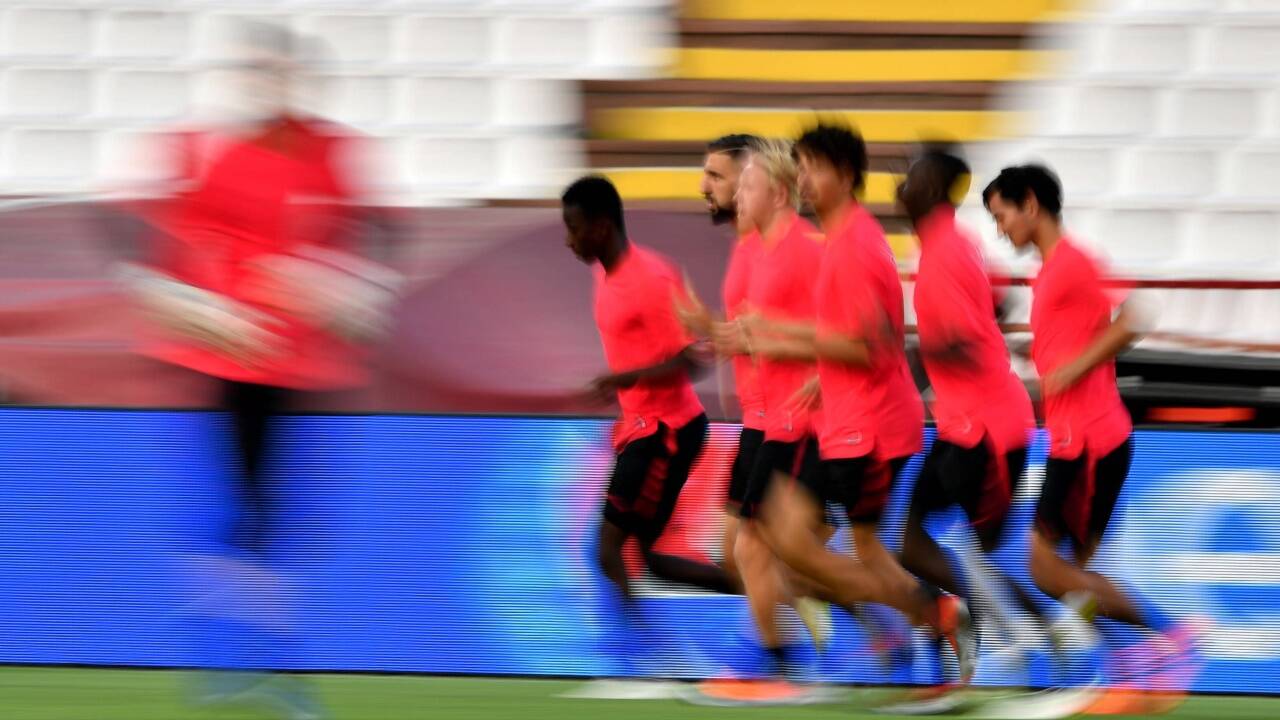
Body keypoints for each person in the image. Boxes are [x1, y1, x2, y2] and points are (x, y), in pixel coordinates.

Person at [120, 21, 398, 720]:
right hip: (232, 357)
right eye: (253, 70)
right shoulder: (210, 152)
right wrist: (202, 308)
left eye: (275, 70)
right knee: (241, 511)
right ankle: (260, 657)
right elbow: (155, 258)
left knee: (283, 517)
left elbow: (374, 241)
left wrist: (342, 288)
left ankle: (251, 651)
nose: (264, 82)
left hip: (308, 365)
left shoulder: (330, 151)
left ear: (295, 78)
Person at [740, 126, 975, 685]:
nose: (801, 179)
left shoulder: (857, 245)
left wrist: (775, 337)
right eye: (798, 168)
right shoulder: (843, 240)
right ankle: (916, 622)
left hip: (870, 427)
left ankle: (930, 614)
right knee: (786, 536)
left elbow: (869, 346)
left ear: (846, 175)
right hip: (841, 421)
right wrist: (805, 361)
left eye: (811, 167)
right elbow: (850, 334)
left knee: (841, 547)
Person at [983, 164, 1197, 708]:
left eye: (1002, 215)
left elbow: (1136, 314)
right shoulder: (1051, 271)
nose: (1000, 229)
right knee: (1071, 574)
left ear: (1029, 204)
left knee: (1046, 568)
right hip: (1079, 437)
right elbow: (1076, 341)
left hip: (1089, 440)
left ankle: (1168, 637)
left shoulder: (1074, 262)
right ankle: (1127, 670)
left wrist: (1075, 366)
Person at [898, 145, 1051, 668]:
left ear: (934, 187)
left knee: (982, 556)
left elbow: (960, 339)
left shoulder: (943, 254)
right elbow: (1002, 301)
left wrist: (907, 358)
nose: (901, 183)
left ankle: (1054, 646)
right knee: (911, 536)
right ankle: (977, 620)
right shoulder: (958, 243)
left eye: (911, 174)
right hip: (965, 422)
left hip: (986, 428)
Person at [561, 175, 737, 606]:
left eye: (573, 227)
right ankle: (769, 594)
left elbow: (693, 360)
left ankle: (637, 651)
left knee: (607, 549)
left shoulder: (651, 278)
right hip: (644, 427)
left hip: (667, 431)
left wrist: (623, 379)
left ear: (600, 226)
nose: (569, 240)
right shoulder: (605, 275)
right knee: (648, 556)